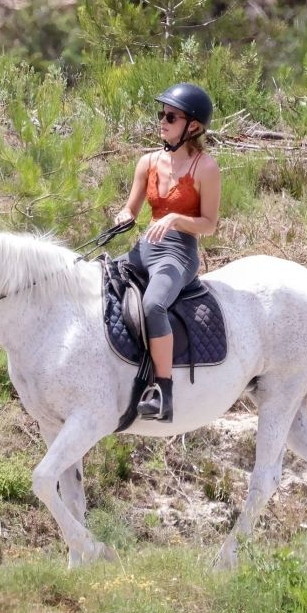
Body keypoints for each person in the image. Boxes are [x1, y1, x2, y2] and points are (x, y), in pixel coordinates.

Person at [113, 82, 221, 422]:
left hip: (179, 253)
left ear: (193, 127)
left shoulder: (206, 168)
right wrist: (123, 217)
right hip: (146, 245)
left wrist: (175, 218)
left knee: (153, 304)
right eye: (161, 114)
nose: (162, 121)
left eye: (171, 117)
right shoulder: (147, 162)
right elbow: (131, 208)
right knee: (102, 281)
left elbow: (209, 225)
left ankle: (162, 390)